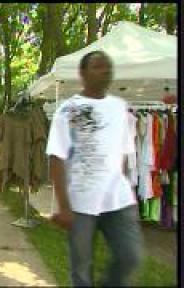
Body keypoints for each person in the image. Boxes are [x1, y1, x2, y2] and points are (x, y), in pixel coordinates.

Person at [46, 51, 142, 287]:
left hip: (118, 200)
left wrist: (128, 189)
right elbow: (56, 158)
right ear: (82, 73)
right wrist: (64, 206)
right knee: (81, 270)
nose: (106, 70)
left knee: (130, 256)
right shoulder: (68, 110)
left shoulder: (120, 108)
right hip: (81, 204)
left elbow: (122, 155)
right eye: (98, 66)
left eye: (108, 66)